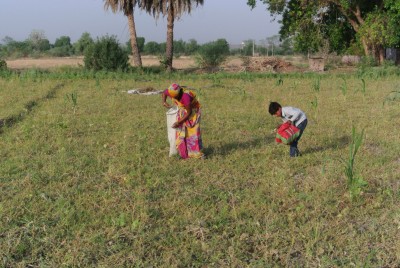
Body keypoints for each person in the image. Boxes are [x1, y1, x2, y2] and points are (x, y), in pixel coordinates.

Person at [162, 83, 205, 159]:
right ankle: (183, 153)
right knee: (181, 133)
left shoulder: (185, 97)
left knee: (192, 134)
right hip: (183, 111)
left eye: (174, 97)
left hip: (192, 113)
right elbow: (164, 92)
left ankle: (195, 154)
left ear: (179, 93)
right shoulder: (171, 91)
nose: (172, 98)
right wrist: (164, 101)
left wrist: (178, 122)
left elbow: (189, 112)